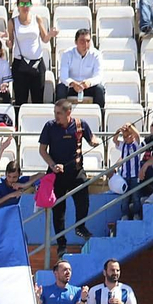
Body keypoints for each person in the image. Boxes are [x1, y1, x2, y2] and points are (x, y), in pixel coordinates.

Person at [39, 98, 100, 248]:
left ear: (68, 112)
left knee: (83, 200)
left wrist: (95, 142)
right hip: (56, 173)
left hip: (76, 171)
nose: (56, 116)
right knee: (58, 210)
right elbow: (42, 150)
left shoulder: (80, 125)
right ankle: (61, 244)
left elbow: (92, 140)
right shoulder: (50, 126)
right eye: (55, 112)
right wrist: (52, 165)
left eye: (59, 113)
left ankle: (80, 226)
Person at [7, 0, 58, 107]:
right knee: (20, 99)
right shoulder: (12, 22)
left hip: (37, 63)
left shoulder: (37, 19)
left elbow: (44, 39)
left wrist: (50, 34)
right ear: (17, 6)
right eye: (22, 3)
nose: (25, 6)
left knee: (38, 98)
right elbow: (11, 42)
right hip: (20, 64)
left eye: (27, 3)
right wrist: (7, 42)